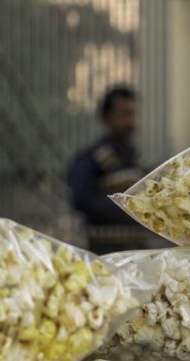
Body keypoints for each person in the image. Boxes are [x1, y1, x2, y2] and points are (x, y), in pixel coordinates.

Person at [68, 85, 148, 253]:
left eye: (133, 114)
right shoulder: (92, 158)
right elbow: (80, 200)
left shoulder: (134, 159)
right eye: (124, 115)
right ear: (107, 118)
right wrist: (129, 207)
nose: (130, 122)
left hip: (136, 252)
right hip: (106, 254)